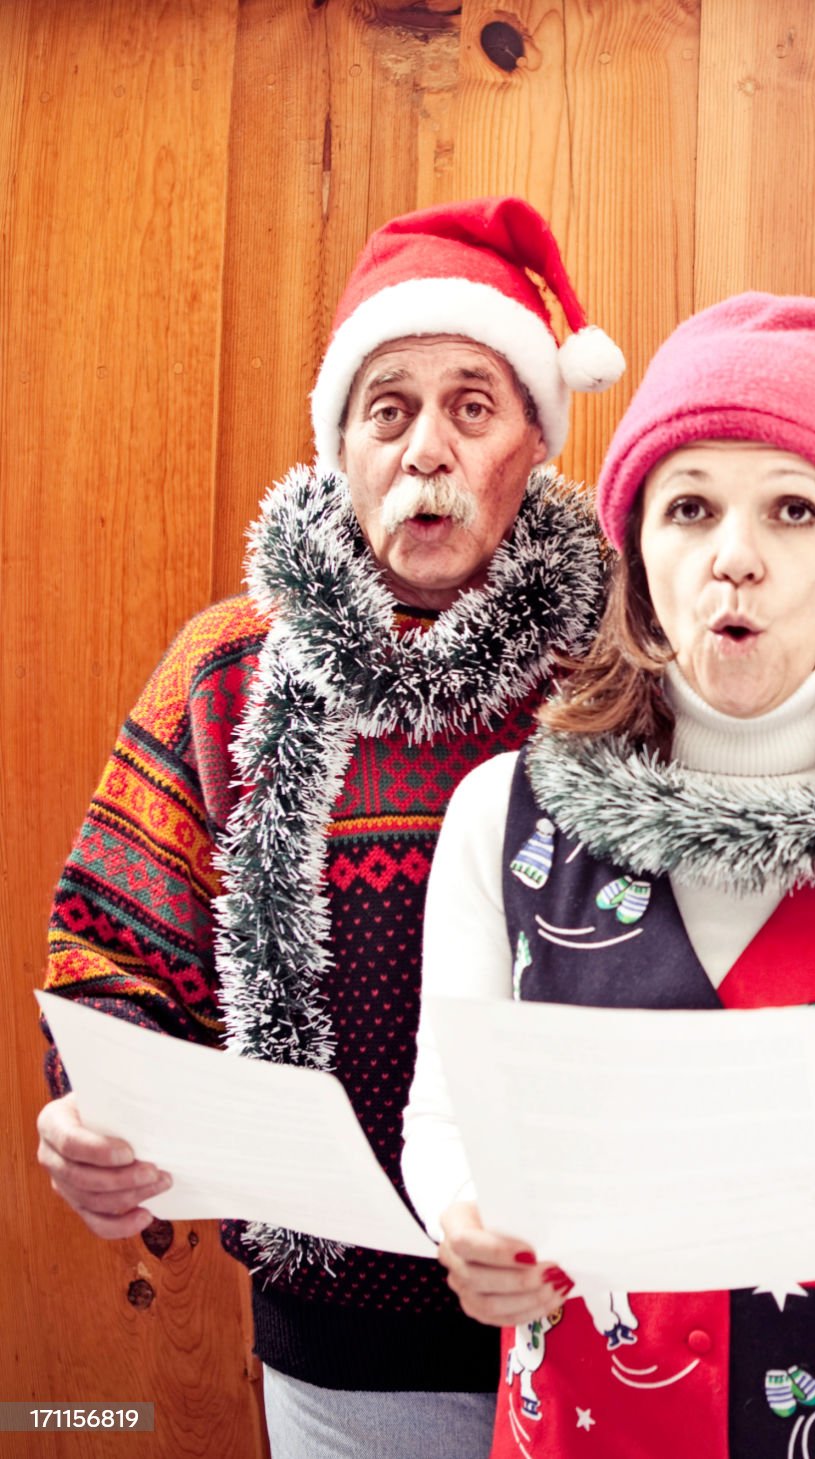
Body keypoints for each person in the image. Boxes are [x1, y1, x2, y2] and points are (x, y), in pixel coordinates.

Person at [401, 292, 815, 1459]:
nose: (733, 558)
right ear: (640, 550)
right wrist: (463, 1223)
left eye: (793, 511)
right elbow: (447, 1119)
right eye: (689, 507)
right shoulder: (501, 817)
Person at [34, 197, 623, 1456]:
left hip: (611, 1317)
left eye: (474, 404)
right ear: (339, 448)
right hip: (341, 1338)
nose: (427, 450)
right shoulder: (228, 672)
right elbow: (108, 958)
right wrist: (96, 1116)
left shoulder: (626, 669)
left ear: (535, 444)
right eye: (388, 408)